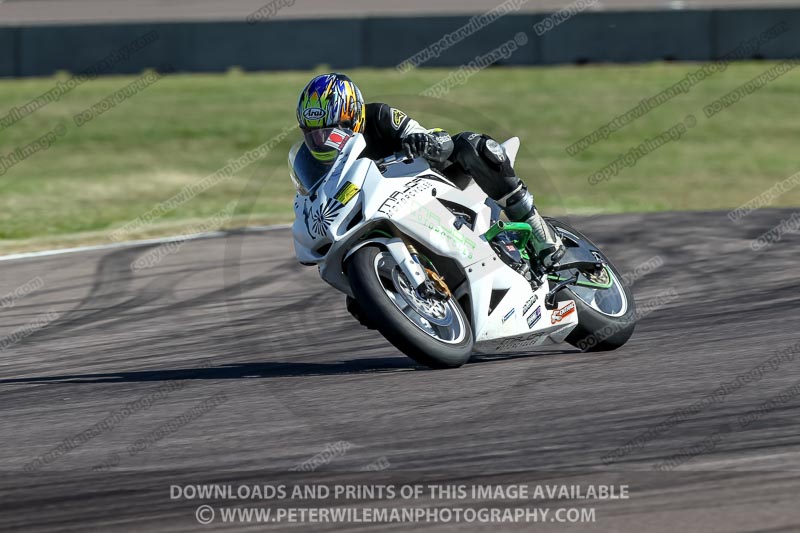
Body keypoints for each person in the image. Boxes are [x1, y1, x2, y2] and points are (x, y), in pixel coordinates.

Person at [294, 72, 565, 268]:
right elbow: (315, 196)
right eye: (313, 134)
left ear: (354, 115)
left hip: (429, 185)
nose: (322, 141)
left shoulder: (379, 117)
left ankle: (537, 228)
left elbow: (432, 137)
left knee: (472, 146)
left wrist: (424, 142)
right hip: (379, 213)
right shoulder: (313, 159)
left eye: (331, 132)